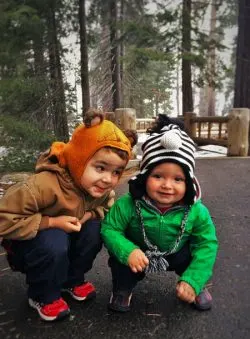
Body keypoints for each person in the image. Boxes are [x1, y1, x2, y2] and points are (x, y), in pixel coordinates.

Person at [0, 109, 132, 321]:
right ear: (79, 159)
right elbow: (4, 218)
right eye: (100, 168)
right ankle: (42, 294)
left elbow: (107, 207)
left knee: (95, 230)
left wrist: (88, 216)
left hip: (64, 243)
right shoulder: (42, 186)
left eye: (116, 172)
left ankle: (71, 280)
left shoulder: (98, 189)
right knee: (55, 238)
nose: (108, 179)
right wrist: (51, 222)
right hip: (29, 246)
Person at [101, 123, 218, 313]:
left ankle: (195, 283)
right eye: (158, 176)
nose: (167, 185)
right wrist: (128, 250)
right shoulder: (128, 204)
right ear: (145, 175)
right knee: (120, 260)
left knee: (196, 254)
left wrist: (193, 279)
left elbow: (207, 244)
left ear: (188, 182)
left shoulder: (197, 210)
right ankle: (123, 287)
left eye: (177, 179)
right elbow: (110, 228)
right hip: (139, 253)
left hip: (178, 251)